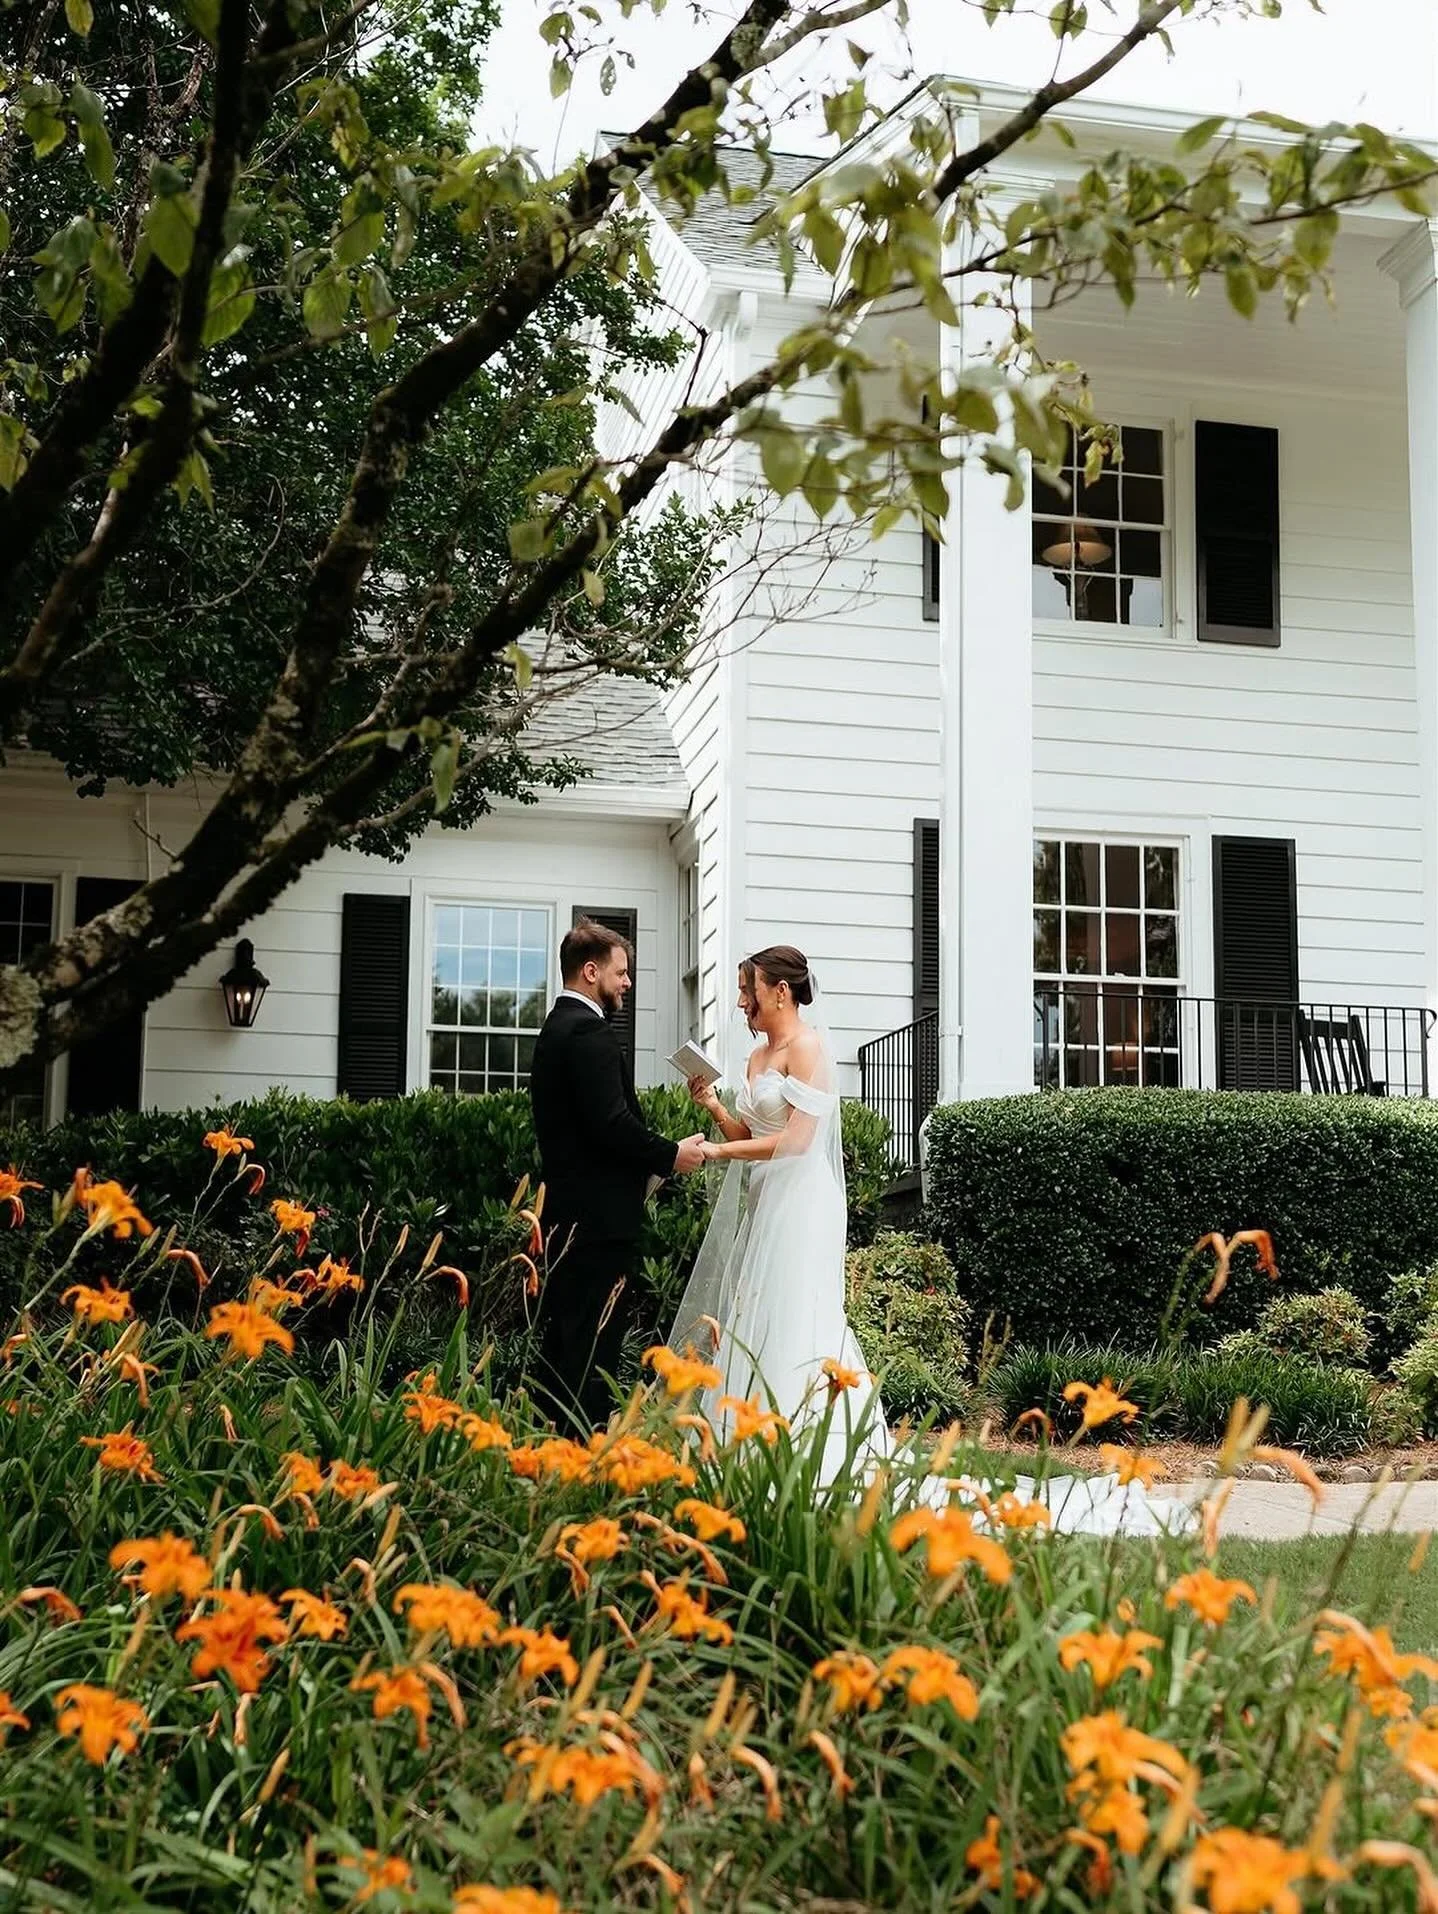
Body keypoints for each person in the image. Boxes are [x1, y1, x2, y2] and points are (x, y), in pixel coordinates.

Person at [671, 945, 887, 1481]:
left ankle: (812, 1446)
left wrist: (716, 1153)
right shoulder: (756, 1058)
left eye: (749, 990)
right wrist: (715, 1107)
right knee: (757, 1311)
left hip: (802, 1201)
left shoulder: (807, 1048)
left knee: (796, 1310)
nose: (742, 1001)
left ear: (781, 991)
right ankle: (743, 1441)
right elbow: (753, 1135)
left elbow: (794, 1143)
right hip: (765, 1197)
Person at [529, 917, 705, 1428]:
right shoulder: (588, 1032)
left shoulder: (555, 1029)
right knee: (590, 1347)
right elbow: (612, 1124)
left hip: (571, 1219)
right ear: (590, 972)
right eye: (621, 973)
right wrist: (671, 1155)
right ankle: (582, 1451)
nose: (627, 983)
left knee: (567, 1340)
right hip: (598, 1224)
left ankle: (552, 1449)